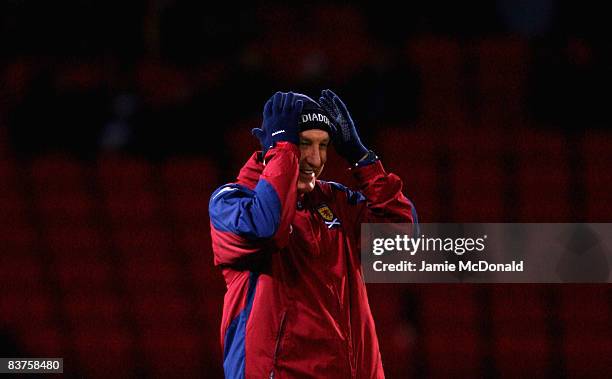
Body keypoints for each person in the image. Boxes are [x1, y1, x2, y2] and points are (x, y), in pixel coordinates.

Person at [209, 90, 417, 378]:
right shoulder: (229, 203)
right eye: (304, 143)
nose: (315, 159)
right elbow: (268, 227)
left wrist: (361, 158)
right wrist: (283, 150)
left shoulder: (336, 202)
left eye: (324, 145)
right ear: (276, 145)